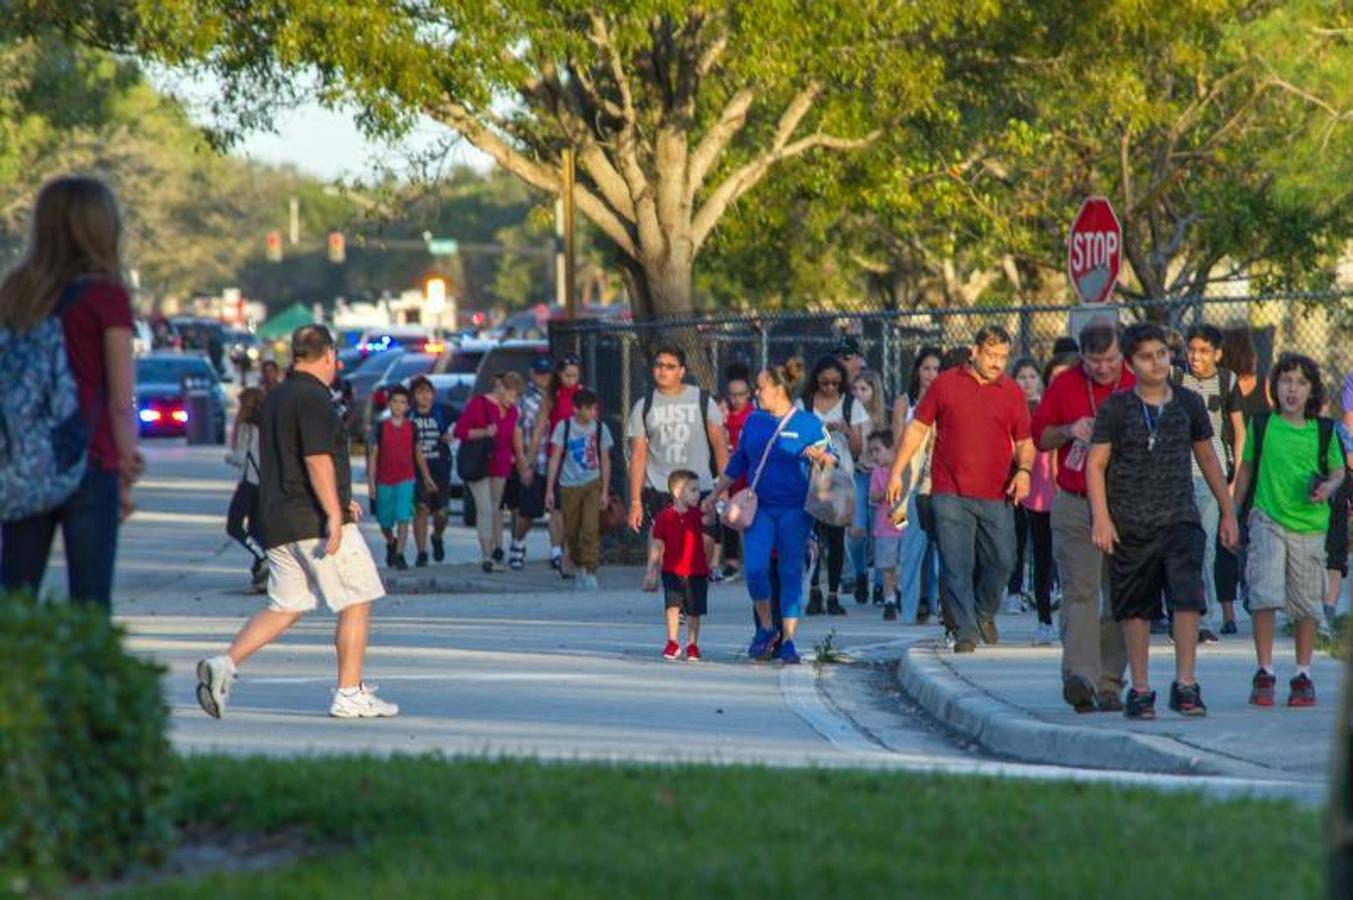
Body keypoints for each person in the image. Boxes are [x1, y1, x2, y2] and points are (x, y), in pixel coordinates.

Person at [194, 324, 396, 719]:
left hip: (277, 520)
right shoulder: (314, 398)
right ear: (328, 356)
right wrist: (335, 515)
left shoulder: (278, 397)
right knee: (358, 598)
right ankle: (350, 692)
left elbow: (291, 459)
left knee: (286, 605)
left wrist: (341, 499)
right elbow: (316, 459)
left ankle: (225, 664)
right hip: (312, 520)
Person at [0, 175, 143, 611]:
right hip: (88, 459)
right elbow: (121, 397)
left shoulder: (15, 291)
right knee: (90, 603)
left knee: (16, 597)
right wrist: (125, 463)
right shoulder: (106, 295)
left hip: (26, 457)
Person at [1086, 323, 1239, 720]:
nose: (1156, 362)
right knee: (1135, 609)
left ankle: (1186, 683)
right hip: (1131, 522)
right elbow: (1096, 463)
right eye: (1145, 357)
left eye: (1161, 354)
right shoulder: (1116, 407)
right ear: (1131, 364)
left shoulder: (1189, 402)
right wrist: (1101, 518)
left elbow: (1208, 457)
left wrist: (1227, 510)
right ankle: (1139, 688)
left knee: (1188, 600)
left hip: (1181, 518)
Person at [886, 327, 1034, 653]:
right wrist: (897, 472)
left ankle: (983, 611)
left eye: (1002, 357)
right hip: (949, 492)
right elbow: (917, 430)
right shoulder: (946, 383)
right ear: (975, 351)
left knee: (1003, 560)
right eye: (991, 355)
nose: (997, 363)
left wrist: (1024, 471)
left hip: (996, 495)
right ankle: (966, 630)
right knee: (956, 563)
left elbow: (1024, 442)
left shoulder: (1011, 391)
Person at [1030, 323, 1132, 712]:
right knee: (1080, 590)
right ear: (1082, 358)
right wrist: (1071, 430)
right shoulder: (1066, 384)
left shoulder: (1137, 381)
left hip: (1124, 501)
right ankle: (1081, 677)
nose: (1103, 369)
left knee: (1120, 594)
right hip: (1074, 500)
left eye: (1110, 360)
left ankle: (1110, 682)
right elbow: (1040, 436)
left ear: (1122, 355)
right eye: (1094, 362)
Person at [1232, 354, 1345, 707]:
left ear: (1312, 391)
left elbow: (1338, 471)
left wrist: (1328, 486)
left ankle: (1302, 672)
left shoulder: (1324, 430)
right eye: (1285, 381)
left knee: (1306, 603)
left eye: (1300, 382)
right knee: (1264, 593)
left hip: (1310, 527)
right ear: (1274, 387)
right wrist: (1232, 513)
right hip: (1267, 518)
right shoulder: (1262, 424)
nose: (1292, 389)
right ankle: (1264, 670)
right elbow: (1246, 469)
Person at [707, 358, 834, 665]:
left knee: (790, 573)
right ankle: (766, 628)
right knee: (755, 570)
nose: (756, 392)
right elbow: (738, 461)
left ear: (779, 389)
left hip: (795, 510)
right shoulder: (754, 421)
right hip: (759, 509)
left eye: (761, 387)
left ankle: (789, 640)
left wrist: (822, 458)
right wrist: (713, 494)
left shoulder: (808, 423)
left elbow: (832, 463)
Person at [1175, 324, 1246, 642]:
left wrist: (1234, 480)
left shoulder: (1227, 380)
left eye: (1204, 351)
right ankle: (1181, 611)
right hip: (1178, 472)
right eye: (1192, 350)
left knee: (1205, 548)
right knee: (1179, 547)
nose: (1196, 357)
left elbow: (1239, 430)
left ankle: (1205, 615)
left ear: (1217, 353)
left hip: (1211, 473)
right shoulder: (1176, 378)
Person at [625, 345, 728, 561]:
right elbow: (638, 456)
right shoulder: (643, 406)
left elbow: (720, 446)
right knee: (663, 547)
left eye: (670, 366)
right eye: (659, 365)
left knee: (705, 543)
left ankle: (695, 586)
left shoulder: (703, 400)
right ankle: (671, 590)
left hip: (699, 487)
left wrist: (723, 489)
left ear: (682, 371)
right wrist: (635, 501)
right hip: (660, 487)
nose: (663, 371)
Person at [800, 355, 869, 616]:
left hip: (841, 477)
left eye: (835, 383)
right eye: (824, 382)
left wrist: (845, 430)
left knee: (836, 537)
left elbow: (858, 448)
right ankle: (815, 590)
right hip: (812, 476)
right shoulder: (804, 405)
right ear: (816, 380)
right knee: (813, 537)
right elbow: (799, 442)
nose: (830, 388)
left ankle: (833, 594)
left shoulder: (851, 405)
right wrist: (821, 432)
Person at [1216, 328, 1271, 633]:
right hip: (1261, 470)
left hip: (1231, 467)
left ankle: (1228, 614)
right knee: (1257, 534)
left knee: (1227, 539)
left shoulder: (1225, 387)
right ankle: (1252, 588)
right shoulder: (1264, 387)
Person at [1027, 354, 1077, 644]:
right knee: (1042, 558)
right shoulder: (1040, 408)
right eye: (1054, 377)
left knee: (1071, 560)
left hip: (1071, 491)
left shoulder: (1082, 407)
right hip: (1040, 494)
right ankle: (1044, 618)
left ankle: (1073, 617)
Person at [892, 346, 943, 625]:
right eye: (926, 368)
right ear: (917, 371)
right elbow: (900, 442)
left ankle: (933, 606)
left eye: (936, 369)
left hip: (936, 482)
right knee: (910, 548)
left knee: (936, 551)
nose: (931, 374)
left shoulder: (947, 399)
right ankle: (908, 609)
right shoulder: (905, 402)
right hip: (907, 484)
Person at [455, 370, 523, 572]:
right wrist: (484, 432)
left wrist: (518, 458)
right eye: (510, 395)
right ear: (500, 388)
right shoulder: (479, 404)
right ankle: (486, 556)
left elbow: (511, 436)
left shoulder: (512, 412)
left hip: (501, 465)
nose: (512, 400)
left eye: (516, 396)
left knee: (495, 508)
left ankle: (498, 549)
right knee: (484, 508)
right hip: (479, 464)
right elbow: (460, 431)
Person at [545, 388, 613, 590]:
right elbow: (555, 457)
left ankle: (590, 569)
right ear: (577, 409)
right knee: (572, 531)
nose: (593, 412)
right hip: (568, 485)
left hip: (592, 483)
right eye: (589, 409)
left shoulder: (601, 429)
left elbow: (605, 460)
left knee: (590, 528)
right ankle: (577, 564)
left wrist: (604, 490)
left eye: (595, 408)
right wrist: (549, 489)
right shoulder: (563, 427)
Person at [644, 469, 712, 661]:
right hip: (672, 570)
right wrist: (651, 570)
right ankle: (672, 641)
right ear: (677, 491)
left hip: (696, 570)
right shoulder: (664, 517)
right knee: (672, 606)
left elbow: (709, 521)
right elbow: (657, 544)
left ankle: (692, 644)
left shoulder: (697, 515)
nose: (698, 494)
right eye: (693, 490)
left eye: (698, 490)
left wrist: (712, 509)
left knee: (694, 610)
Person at [534, 353, 584, 572]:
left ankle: (570, 551)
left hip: (579, 457)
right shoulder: (552, 396)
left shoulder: (583, 395)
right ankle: (556, 549)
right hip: (557, 456)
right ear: (559, 375)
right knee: (558, 509)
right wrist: (530, 458)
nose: (571, 380)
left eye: (575, 375)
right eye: (567, 375)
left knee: (577, 509)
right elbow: (539, 429)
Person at [1005, 357, 1045, 614]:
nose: (1027, 382)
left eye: (1032, 376)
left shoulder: (1046, 405)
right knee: (1017, 538)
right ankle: (1014, 590)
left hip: (1043, 480)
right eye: (1022, 377)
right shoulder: (1011, 406)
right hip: (1016, 476)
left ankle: (1046, 588)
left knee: (1043, 541)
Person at [508, 354, 554, 570]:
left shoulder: (557, 396)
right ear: (532, 374)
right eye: (539, 373)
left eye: (546, 373)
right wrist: (523, 462)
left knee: (558, 511)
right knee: (528, 511)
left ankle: (556, 550)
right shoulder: (524, 400)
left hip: (554, 461)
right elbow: (517, 431)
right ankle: (518, 544)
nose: (543, 377)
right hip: (533, 462)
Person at [367, 385, 421, 570]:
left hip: (406, 478)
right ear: (389, 404)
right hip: (384, 479)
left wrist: (427, 478)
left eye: (403, 402)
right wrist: (371, 483)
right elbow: (373, 456)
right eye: (395, 402)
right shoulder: (381, 427)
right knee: (384, 521)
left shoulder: (412, 427)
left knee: (404, 516)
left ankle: (400, 554)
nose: (398, 406)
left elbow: (418, 454)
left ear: (408, 406)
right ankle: (391, 541)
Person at [850, 370, 889, 607]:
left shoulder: (885, 417)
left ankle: (881, 583)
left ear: (874, 391)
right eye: (855, 390)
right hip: (860, 474)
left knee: (885, 529)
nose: (858, 394)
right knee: (856, 531)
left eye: (863, 389)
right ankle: (860, 573)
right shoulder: (852, 415)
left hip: (883, 476)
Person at [225, 387, 268, 591]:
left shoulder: (247, 426)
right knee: (256, 529)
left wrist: (228, 457)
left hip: (249, 482)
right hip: (265, 484)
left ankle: (263, 557)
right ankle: (260, 572)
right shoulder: (268, 425)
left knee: (234, 526)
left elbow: (241, 457)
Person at [409, 376, 453, 567]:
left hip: (440, 467)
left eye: (427, 392)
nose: (424, 396)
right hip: (416, 470)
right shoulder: (410, 416)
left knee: (441, 513)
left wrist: (453, 434)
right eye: (419, 392)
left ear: (433, 395)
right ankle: (422, 552)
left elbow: (466, 419)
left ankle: (436, 536)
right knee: (421, 509)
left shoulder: (442, 411)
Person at [719, 362, 757, 581]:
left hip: (749, 473)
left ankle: (753, 559)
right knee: (729, 516)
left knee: (751, 517)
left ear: (748, 394)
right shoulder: (723, 415)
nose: (736, 399)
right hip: (730, 473)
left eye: (741, 394)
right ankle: (731, 562)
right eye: (732, 395)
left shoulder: (754, 415)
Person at [867, 430, 907, 621]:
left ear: (892, 450)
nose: (874, 455)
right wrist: (886, 491)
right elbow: (873, 496)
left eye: (878, 450)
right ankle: (889, 599)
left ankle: (900, 592)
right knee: (886, 565)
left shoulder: (902, 471)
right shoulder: (877, 473)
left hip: (899, 519)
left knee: (902, 561)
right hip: (884, 525)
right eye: (872, 452)